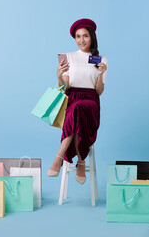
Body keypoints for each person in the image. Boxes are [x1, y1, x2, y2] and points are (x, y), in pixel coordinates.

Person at [47, 18, 108, 184]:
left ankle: (58, 157)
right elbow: (64, 88)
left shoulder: (101, 60)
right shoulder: (69, 57)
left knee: (78, 109)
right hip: (72, 98)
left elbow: (99, 91)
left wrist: (101, 74)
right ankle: (81, 162)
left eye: (85, 36)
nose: (81, 40)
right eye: (78, 36)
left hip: (91, 100)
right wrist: (59, 75)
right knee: (75, 110)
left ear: (92, 37)